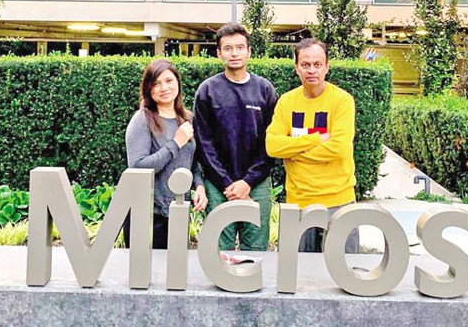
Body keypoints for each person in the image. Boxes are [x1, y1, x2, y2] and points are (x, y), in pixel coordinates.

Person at [265, 38, 358, 253]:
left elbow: (339, 148)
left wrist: (293, 151)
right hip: (298, 203)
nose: (312, 70)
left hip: (339, 201)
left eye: (317, 64)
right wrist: (316, 139)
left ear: (327, 67)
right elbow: (272, 145)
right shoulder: (286, 102)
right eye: (305, 65)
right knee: (298, 277)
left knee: (344, 275)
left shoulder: (342, 101)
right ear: (296, 67)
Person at [194, 23, 278, 252]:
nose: (234, 53)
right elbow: (204, 143)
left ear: (249, 51)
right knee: (219, 249)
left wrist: (248, 182)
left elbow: (271, 142)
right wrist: (227, 184)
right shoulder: (207, 90)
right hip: (218, 184)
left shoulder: (265, 90)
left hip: (257, 184)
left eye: (240, 47)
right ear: (219, 53)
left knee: (256, 250)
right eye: (228, 48)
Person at [124, 58, 207, 249]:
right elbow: (137, 167)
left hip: (178, 212)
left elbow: (193, 162)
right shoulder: (142, 119)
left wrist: (199, 186)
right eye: (156, 83)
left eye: (169, 81)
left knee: (173, 275)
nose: (164, 88)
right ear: (148, 89)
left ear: (177, 82)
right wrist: (175, 143)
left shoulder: (187, 119)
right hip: (148, 216)